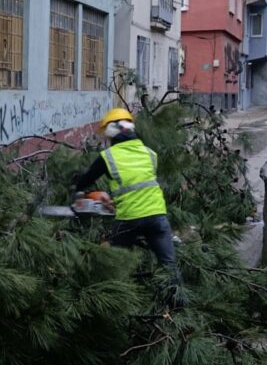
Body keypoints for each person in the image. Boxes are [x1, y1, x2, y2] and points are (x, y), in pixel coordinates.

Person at [71, 107, 186, 304]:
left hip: (129, 219)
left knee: (113, 263)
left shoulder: (108, 156)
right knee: (169, 265)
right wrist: (115, 200)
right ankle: (178, 309)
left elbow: (85, 180)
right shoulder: (150, 154)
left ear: (112, 132)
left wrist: (73, 184)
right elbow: (139, 185)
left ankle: (111, 301)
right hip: (157, 215)